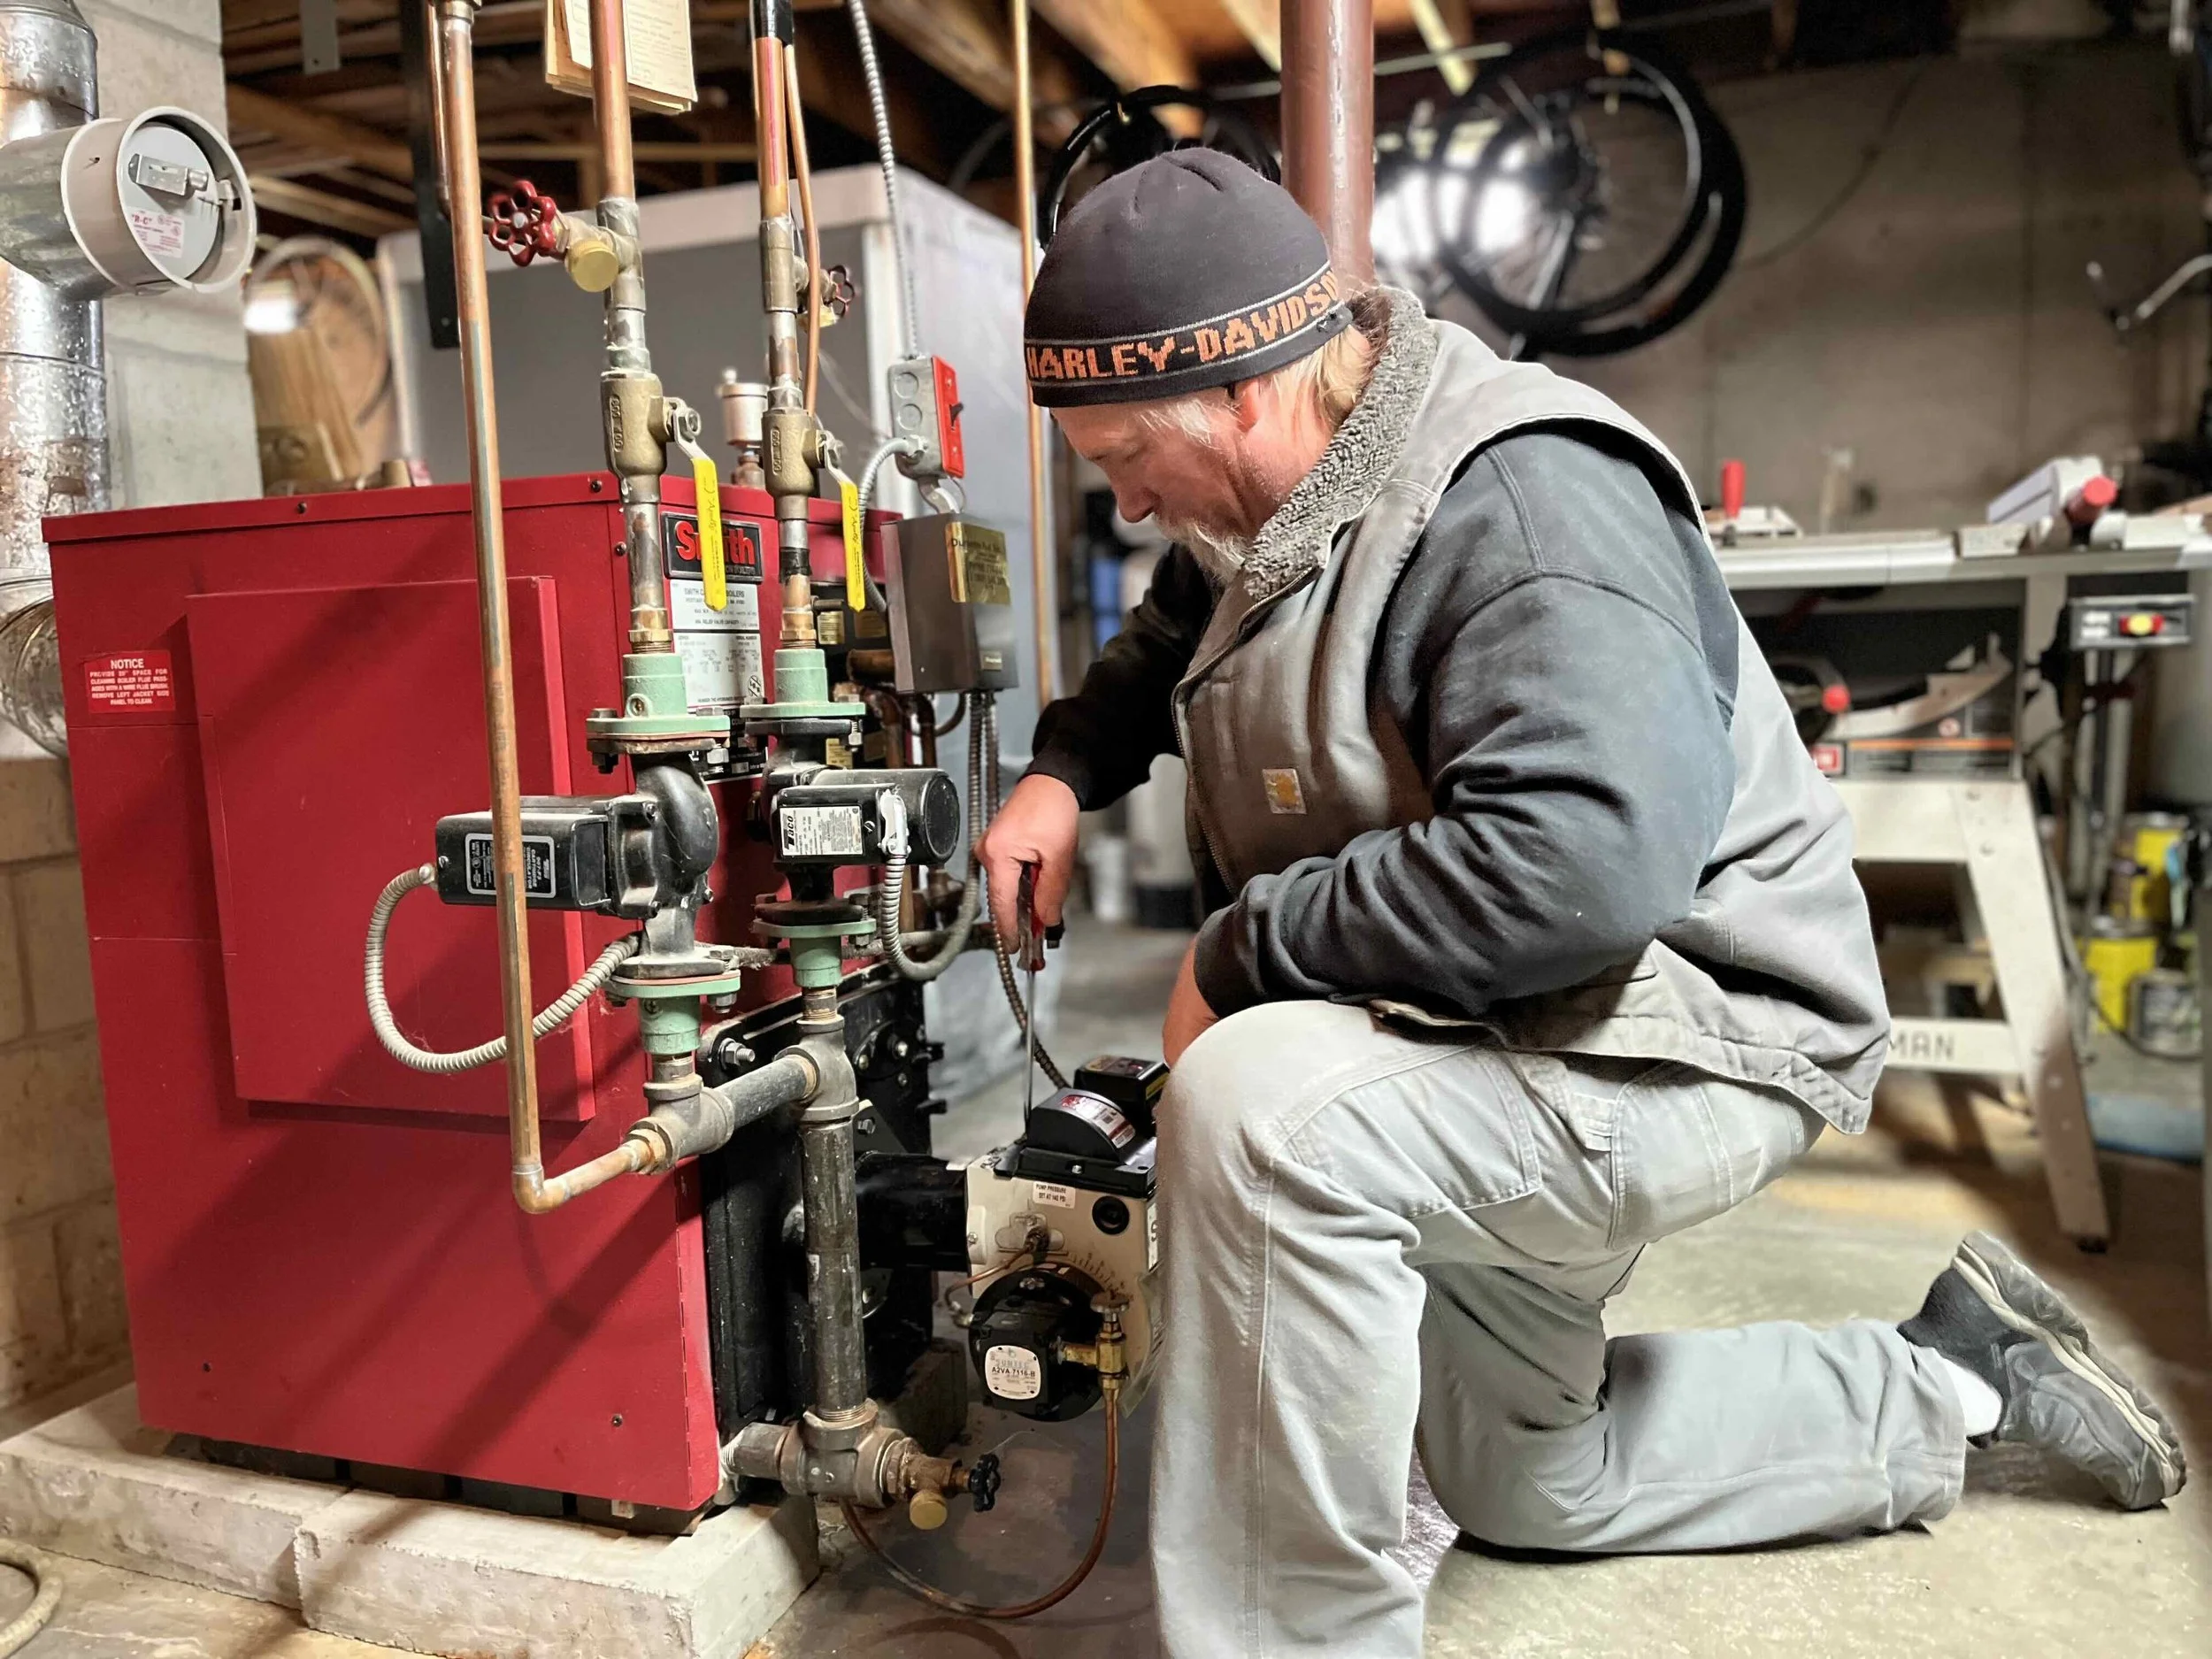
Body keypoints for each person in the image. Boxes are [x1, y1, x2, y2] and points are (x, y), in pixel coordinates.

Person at [974, 150, 2186, 1658]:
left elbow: (1578, 866)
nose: (1126, 496)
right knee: (1539, 1479)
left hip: (1690, 1031)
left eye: (1123, 454)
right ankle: (1960, 1377)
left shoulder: (1524, 500)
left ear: (1245, 390)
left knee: (1261, 1112)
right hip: (1505, 1021)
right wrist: (1060, 771)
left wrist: (1243, 953)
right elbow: (1177, 628)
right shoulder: (1279, 502)